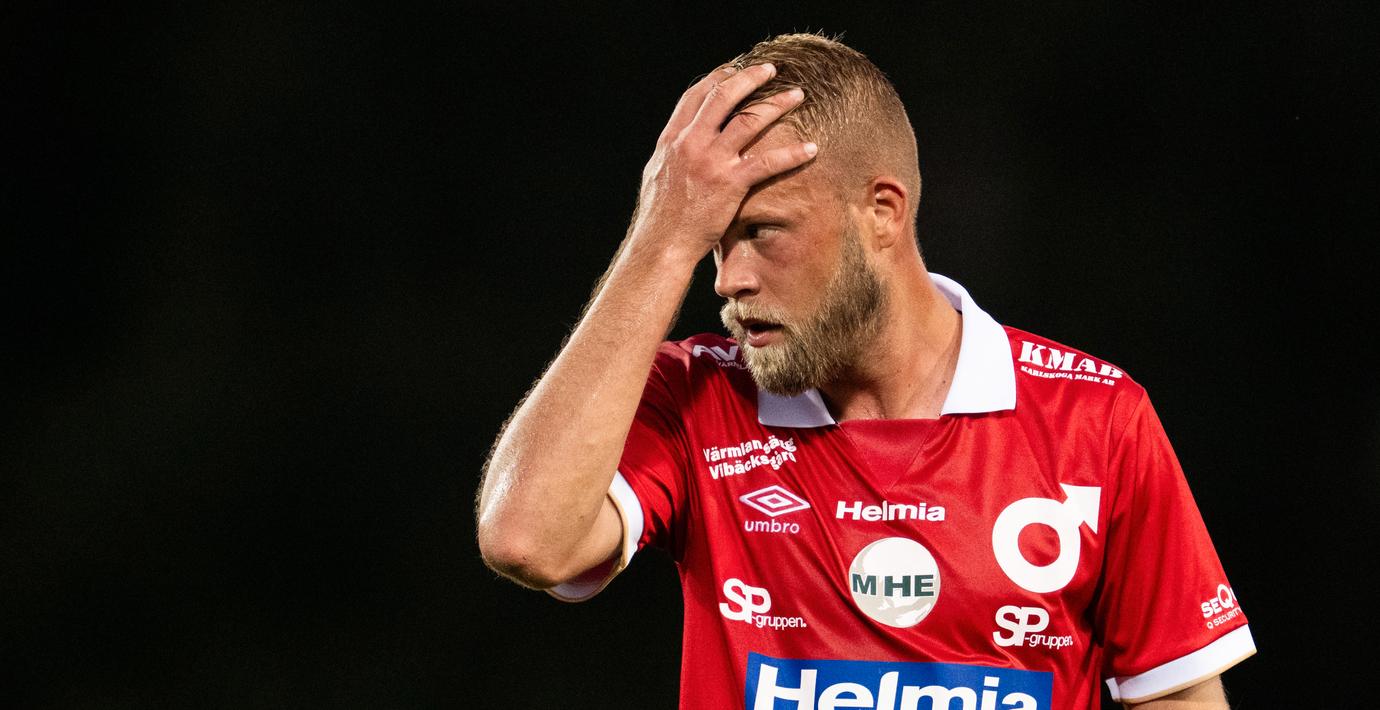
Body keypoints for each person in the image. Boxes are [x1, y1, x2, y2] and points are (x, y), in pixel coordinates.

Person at [476, 33, 1254, 710]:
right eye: (714, 241)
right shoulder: (696, 395)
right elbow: (527, 541)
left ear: (882, 212)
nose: (727, 279)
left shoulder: (1095, 417)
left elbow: (1177, 692)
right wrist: (662, 236)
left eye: (762, 231)